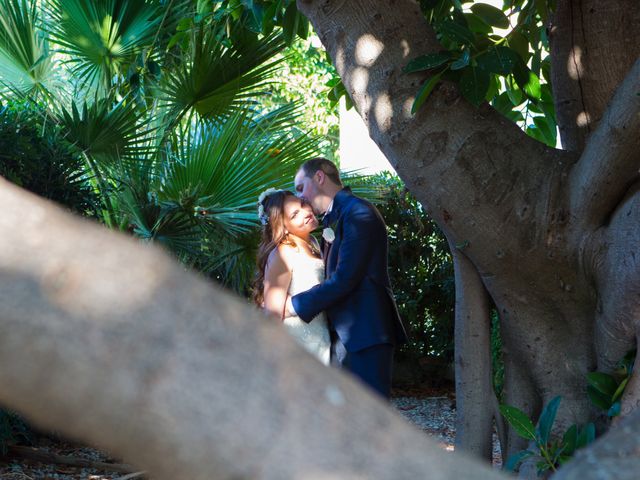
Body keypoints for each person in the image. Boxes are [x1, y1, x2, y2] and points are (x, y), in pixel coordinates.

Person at [287, 157, 407, 398]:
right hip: (345, 336)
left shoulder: (358, 213)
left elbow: (346, 278)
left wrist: (294, 305)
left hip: (366, 334)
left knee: (370, 419)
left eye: (301, 187)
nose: (300, 197)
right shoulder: (335, 217)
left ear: (319, 177)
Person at [253, 188, 331, 365]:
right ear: (283, 226)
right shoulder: (283, 252)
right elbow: (272, 315)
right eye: (295, 214)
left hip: (319, 337)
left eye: (303, 204)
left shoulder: (313, 242)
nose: (306, 212)